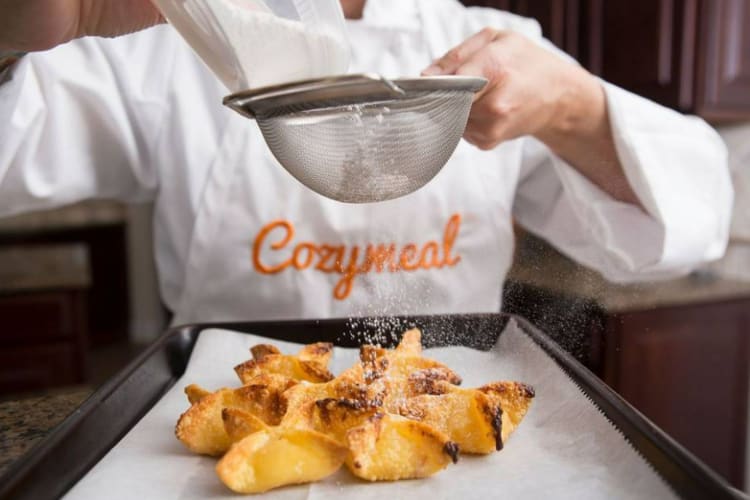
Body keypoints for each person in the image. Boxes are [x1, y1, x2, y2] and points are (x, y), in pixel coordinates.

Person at [0, 0, 733, 325]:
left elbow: (688, 228)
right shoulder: (160, 36)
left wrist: (577, 109)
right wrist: (9, 36)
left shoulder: (500, 42)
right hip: (238, 415)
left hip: (447, 411)